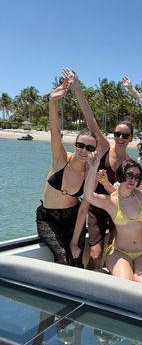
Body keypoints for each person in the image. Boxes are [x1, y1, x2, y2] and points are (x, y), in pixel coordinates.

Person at [63, 69, 133, 270]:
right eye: (117, 133)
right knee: (95, 254)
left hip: (117, 211)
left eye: (125, 135)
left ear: (130, 138)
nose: (120, 138)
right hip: (96, 208)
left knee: (112, 254)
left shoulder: (130, 162)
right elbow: (90, 119)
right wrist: (77, 87)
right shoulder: (104, 147)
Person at [36, 71, 96, 267]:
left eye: (90, 148)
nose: (84, 151)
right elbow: (55, 132)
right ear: (75, 144)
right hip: (48, 218)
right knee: (63, 258)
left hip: (73, 218)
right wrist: (52, 103)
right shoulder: (61, 159)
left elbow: (84, 208)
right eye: (81, 145)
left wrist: (74, 242)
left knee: (77, 258)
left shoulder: (90, 172)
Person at [84, 157, 142, 285]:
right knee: (126, 284)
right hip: (120, 252)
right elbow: (88, 196)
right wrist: (93, 168)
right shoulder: (111, 201)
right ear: (122, 174)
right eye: (129, 175)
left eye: (137, 177)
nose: (133, 179)